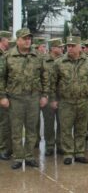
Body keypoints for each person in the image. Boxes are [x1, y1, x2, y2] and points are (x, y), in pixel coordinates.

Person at [0, 28, 47, 169]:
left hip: (33, 98)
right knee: (16, 129)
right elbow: (1, 78)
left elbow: (44, 77)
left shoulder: (38, 56)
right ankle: (19, 157)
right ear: (18, 40)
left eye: (29, 38)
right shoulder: (8, 56)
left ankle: (29, 156)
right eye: (24, 38)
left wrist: (45, 95)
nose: (28, 41)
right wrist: (2, 96)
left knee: (32, 129)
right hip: (15, 98)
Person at [49, 36, 88, 165]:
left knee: (81, 128)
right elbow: (53, 83)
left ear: (79, 47)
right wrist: (53, 99)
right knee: (66, 128)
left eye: (72, 46)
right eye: (68, 46)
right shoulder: (59, 63)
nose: (70, 48)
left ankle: (79, 152)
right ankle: (68, 153)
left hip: (84, 100)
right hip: (66, 101)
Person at [42, 38, 64, 156]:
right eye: (59, 47)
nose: (62, 49)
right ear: (52, 48)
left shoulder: (64, 60)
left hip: (62, 97)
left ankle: (60, 145)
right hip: (49, 97)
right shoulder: (44, 61)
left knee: (62, 123)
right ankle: (49, 146)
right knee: (49, 123)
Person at [0, 30, 12, 161]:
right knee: (4, 123)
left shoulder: (6, 55)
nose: (10, 42)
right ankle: (3, 149)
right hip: (2, 94)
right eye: (8, 39)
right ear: (3, 40)